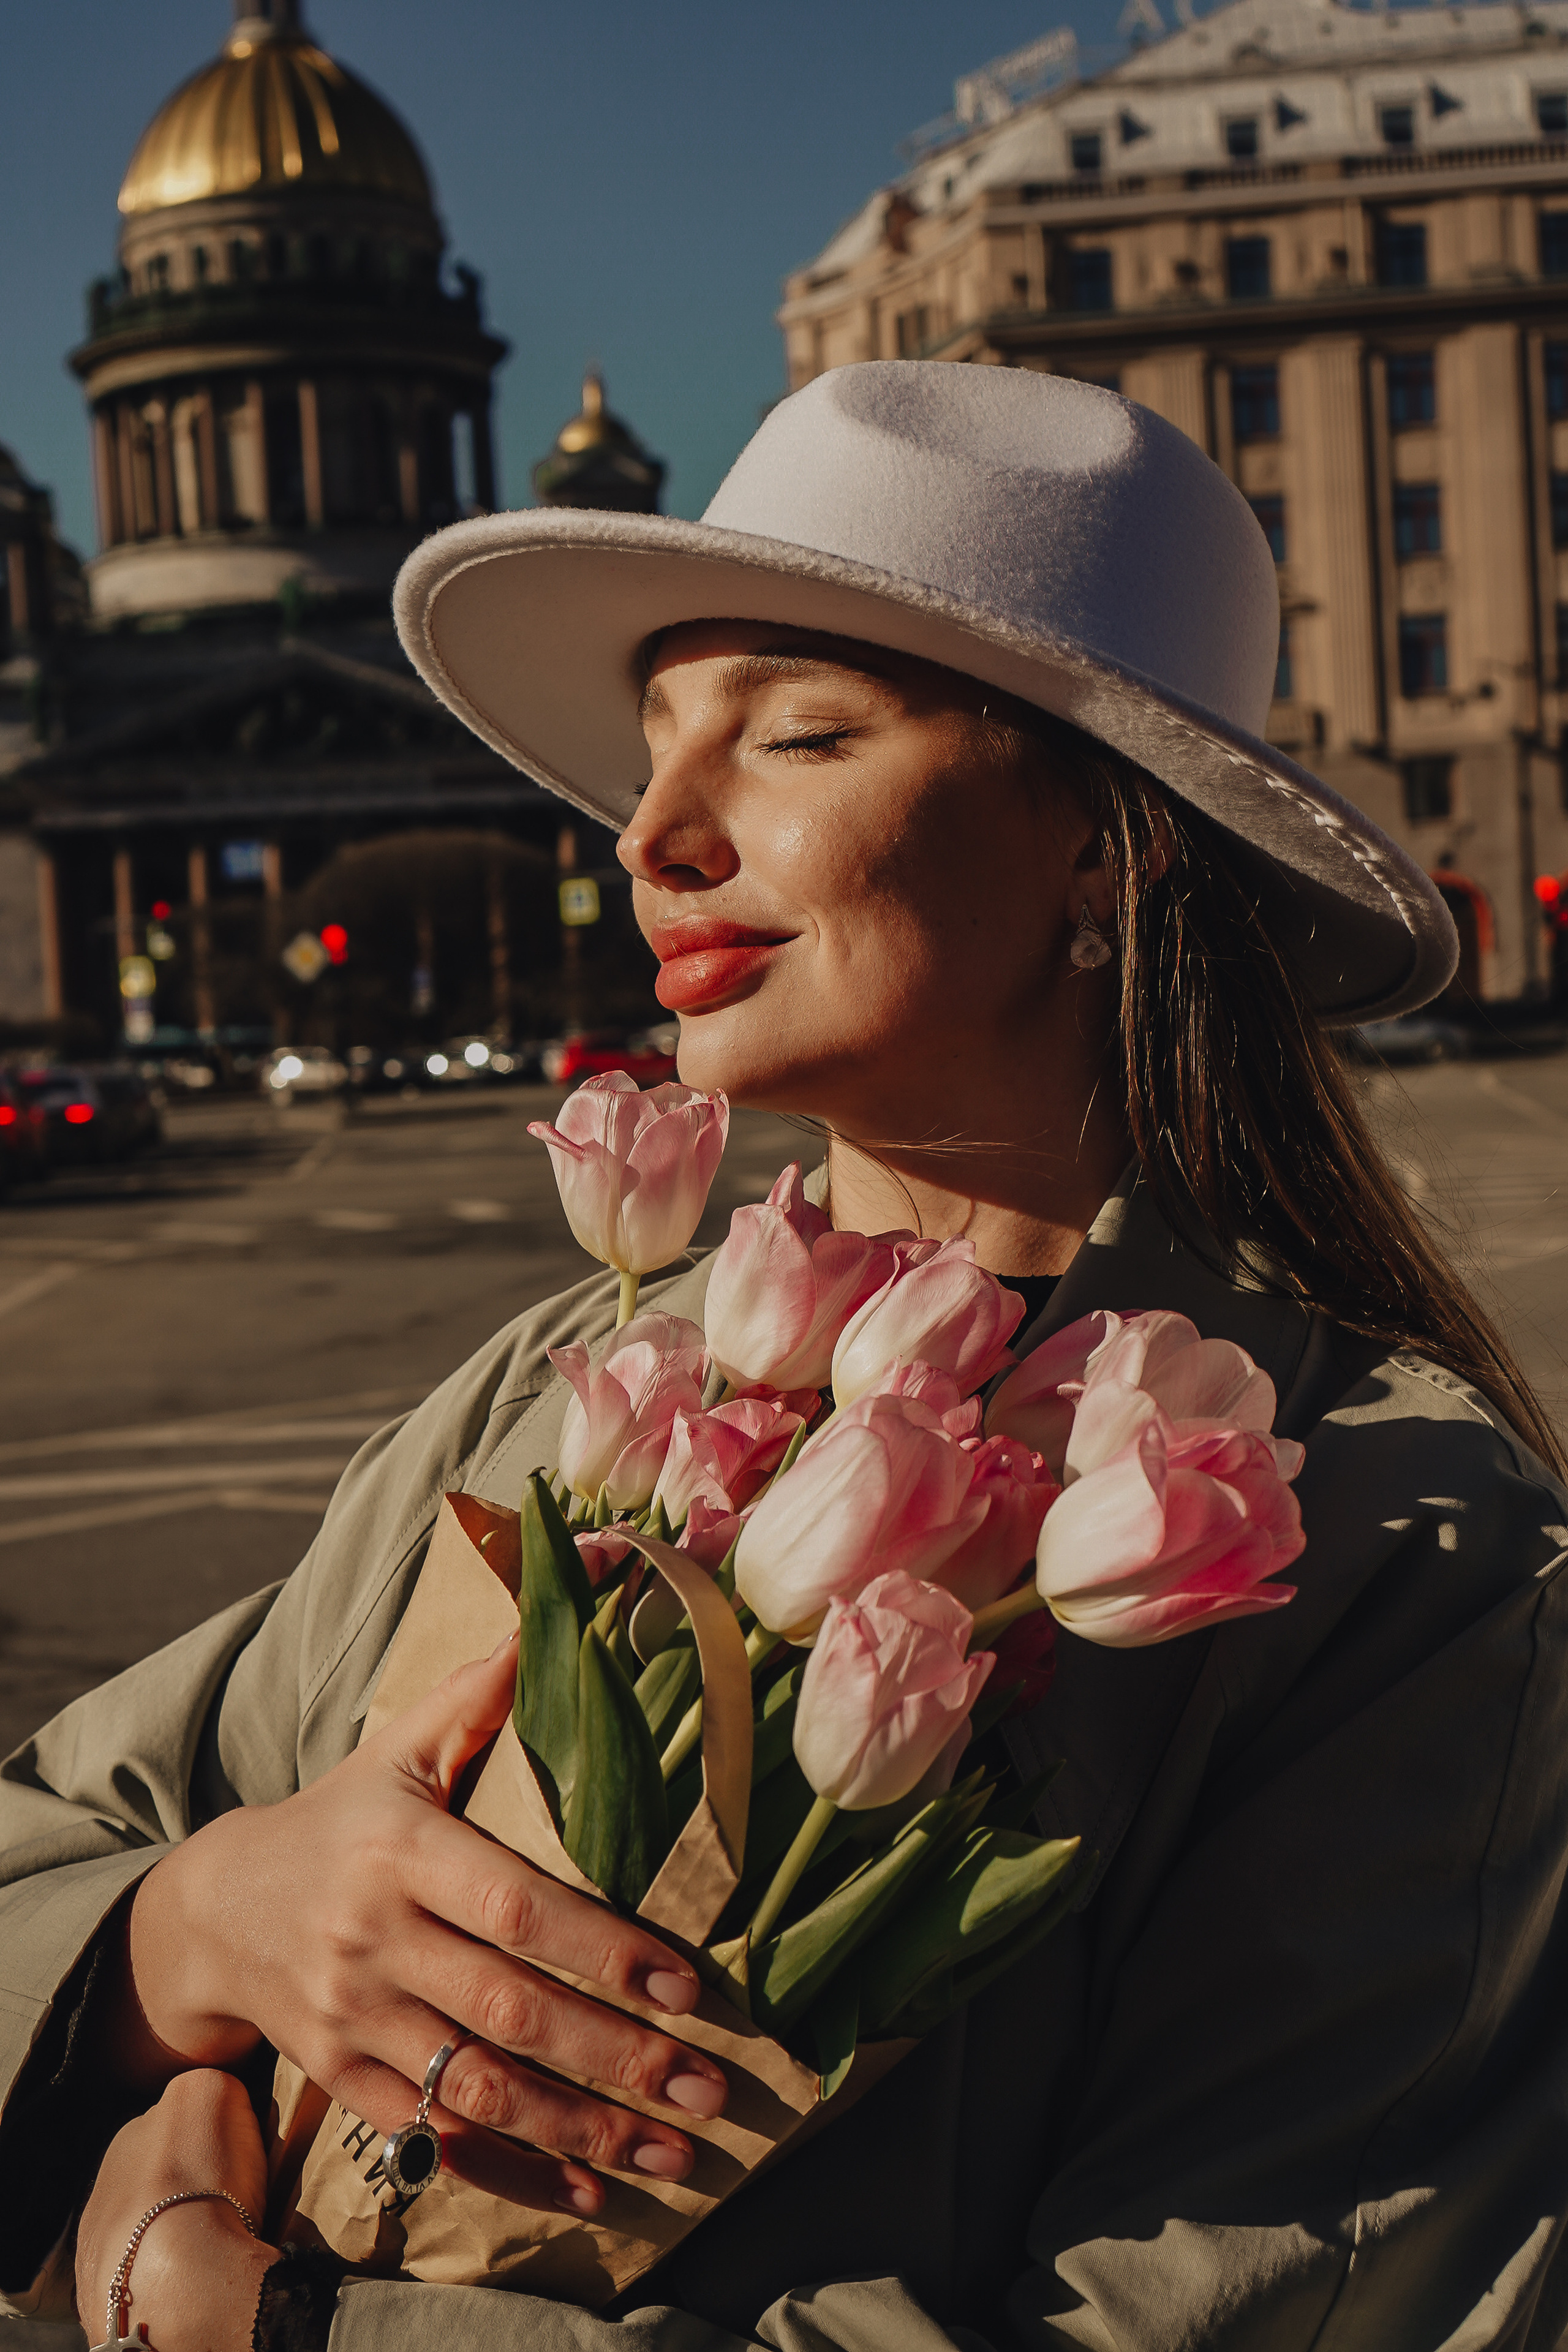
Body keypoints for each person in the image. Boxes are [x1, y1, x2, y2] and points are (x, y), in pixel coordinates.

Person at [5, 364, 1567, 2352]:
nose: (651, 835)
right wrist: (199, 1924)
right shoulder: (570, 1382)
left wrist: (253, 2324)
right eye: (654, 751)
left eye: (800, 737)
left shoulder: (1390, 1548)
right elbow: (59, 1826)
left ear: (1110, 844)